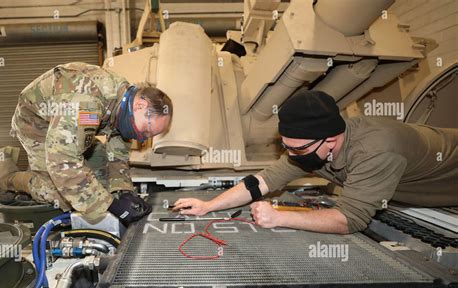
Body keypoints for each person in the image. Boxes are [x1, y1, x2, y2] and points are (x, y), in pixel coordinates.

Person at [173, 90, 457, 234]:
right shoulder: (312, 148)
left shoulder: (377, 150)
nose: (290, 155)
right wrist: (207, 206)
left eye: (295, 149)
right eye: (286, 147)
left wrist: (279, 217)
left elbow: (350, 220)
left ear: (330, 141)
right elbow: (262, 181)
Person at [0, 62, 173, 226]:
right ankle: (3, 176)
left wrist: (123, 192)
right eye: (146, 131)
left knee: (99, 178)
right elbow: (63, 163)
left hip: (70, 127)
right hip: (37, 124)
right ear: (140, 105)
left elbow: (117, 152)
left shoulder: (124, 102)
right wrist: (110, 206)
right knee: (59, 195)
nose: (142, 139)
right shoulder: (86, 103)